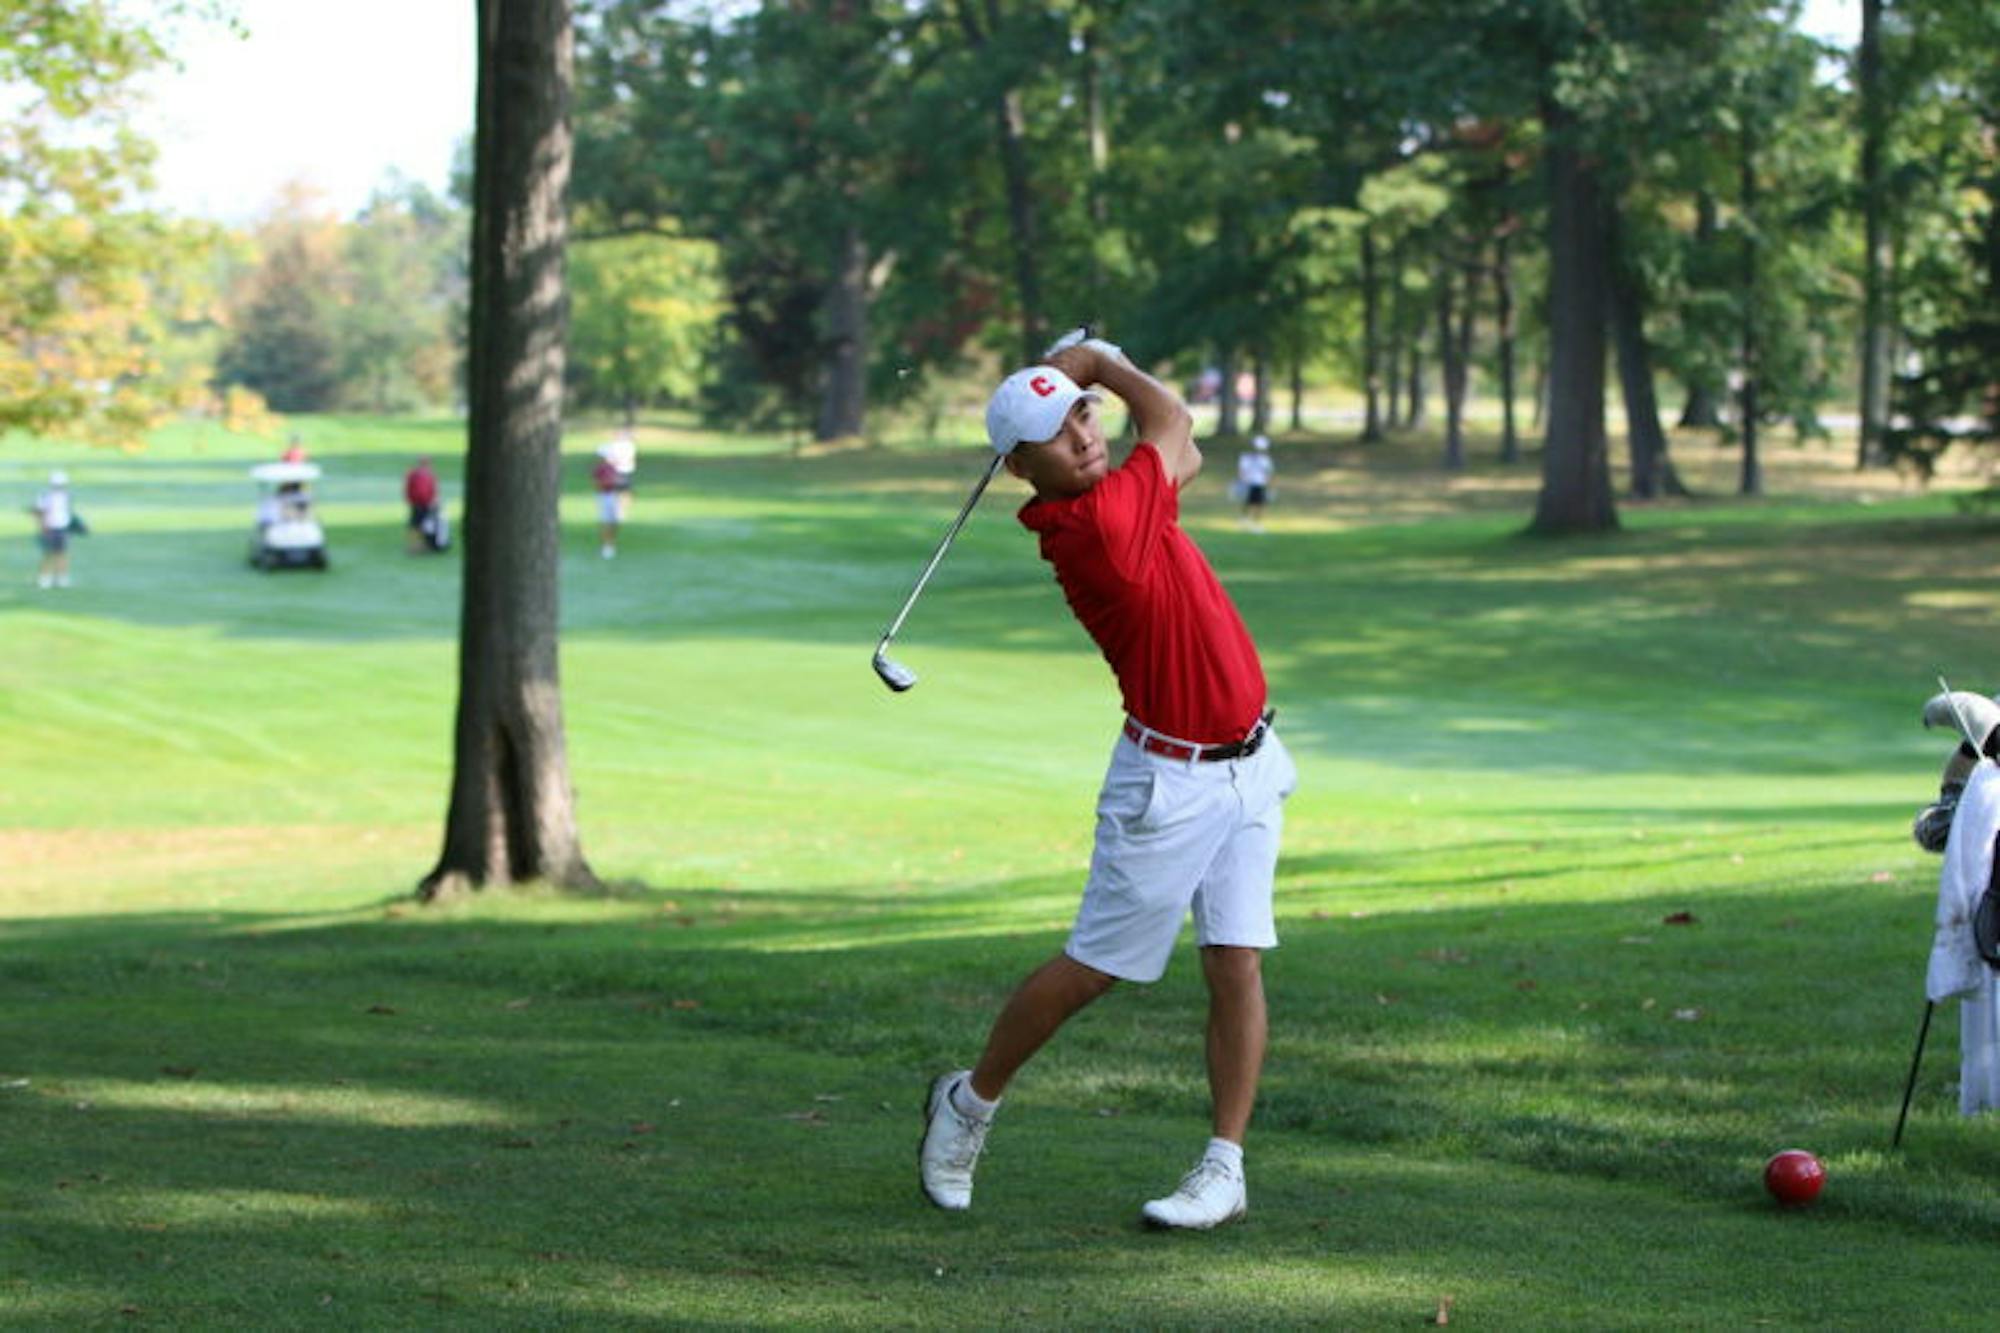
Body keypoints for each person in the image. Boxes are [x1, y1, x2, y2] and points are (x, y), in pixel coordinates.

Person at [918, 333, 1298, 1230]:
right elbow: (1171, 423)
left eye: (1082, 413)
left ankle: (1225, 1165)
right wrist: (1098, 361)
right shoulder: (1096, 528)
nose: (1084, 434)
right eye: (1058, 429)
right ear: (1019, 466)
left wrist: (1096, 390)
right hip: (1166, 786)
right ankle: (969, 1102)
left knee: (1236, 961)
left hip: (1250, 763)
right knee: (1095, 968)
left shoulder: (1122, 496)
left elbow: (1183, 452)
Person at [29, 470, 75, 589]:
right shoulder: (45, 496)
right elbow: (38, 512)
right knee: (48, 554)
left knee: (62, 554)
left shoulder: (67, 496)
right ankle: (44, 578)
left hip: (62, 528)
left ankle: (61, 578)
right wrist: (43, 526)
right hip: (49, 528)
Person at [593, 430, 635, 559]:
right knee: (606, 522)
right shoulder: (601, 469)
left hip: (614, 496)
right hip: (605, 496)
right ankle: (607, 546)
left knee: (614, 522)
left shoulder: (616, 469)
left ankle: (610, 544)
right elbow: (600, 484)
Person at [1235, 434, 1275, 531]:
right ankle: (1244, 521)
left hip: (1260, 484)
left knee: (1259, 505)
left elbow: (1268, 473)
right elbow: (1241, 471)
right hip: (1249, 484)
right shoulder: (1246, 458)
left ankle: (1256, 523)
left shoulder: (1266, 459)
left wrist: (1269, 485)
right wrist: (1243, 481)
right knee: (1247, 503)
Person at [404, 457, 442, 554]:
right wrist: (434, 501)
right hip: (425, 503)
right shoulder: (429, 474)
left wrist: (409, 500)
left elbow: (408, 488)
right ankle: (418, 546)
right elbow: (433, 490)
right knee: (421, 525)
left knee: (415, 525)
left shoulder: (413, 474)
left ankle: (416, 546)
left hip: (417, 503)